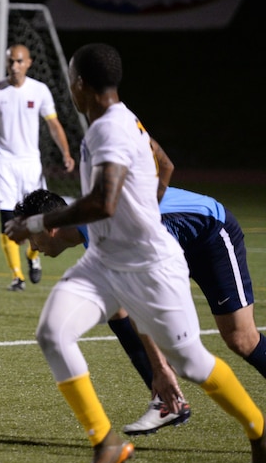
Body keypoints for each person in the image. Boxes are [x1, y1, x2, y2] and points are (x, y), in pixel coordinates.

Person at [4, 43, 265, 463]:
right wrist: (147, 205)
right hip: (106, 261)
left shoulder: (110, 130)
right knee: (52, 332)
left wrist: (36, 222)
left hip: (150, 262)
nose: (69, 87)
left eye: (70, 79)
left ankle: (259, 432)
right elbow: (164, 164)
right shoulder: (119, 121)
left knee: (195, 362)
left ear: (81, 84)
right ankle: (105, 443)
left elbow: (103, 203)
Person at [16, 155, 266, 436]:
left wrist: (160, 366)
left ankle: (174, 395)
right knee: (118, 309)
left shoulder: (101, 228)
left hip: (210, 234)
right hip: (171, 244)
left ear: (50, 227)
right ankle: (166, 402)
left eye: (31, 236)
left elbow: (165, 165)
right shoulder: (92, 231)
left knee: (241, 339)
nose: (32, 248)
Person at [0, 43, 75, 291]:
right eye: (11, 61)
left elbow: (53, 123)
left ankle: (33, 256)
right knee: (8, 217)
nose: (14, 66)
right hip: (2, 162)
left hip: (30, 164)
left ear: (29, 63)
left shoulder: (39, 91)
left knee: (34, 216)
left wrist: (66, 152)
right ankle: (17, 277)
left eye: (19, 61)